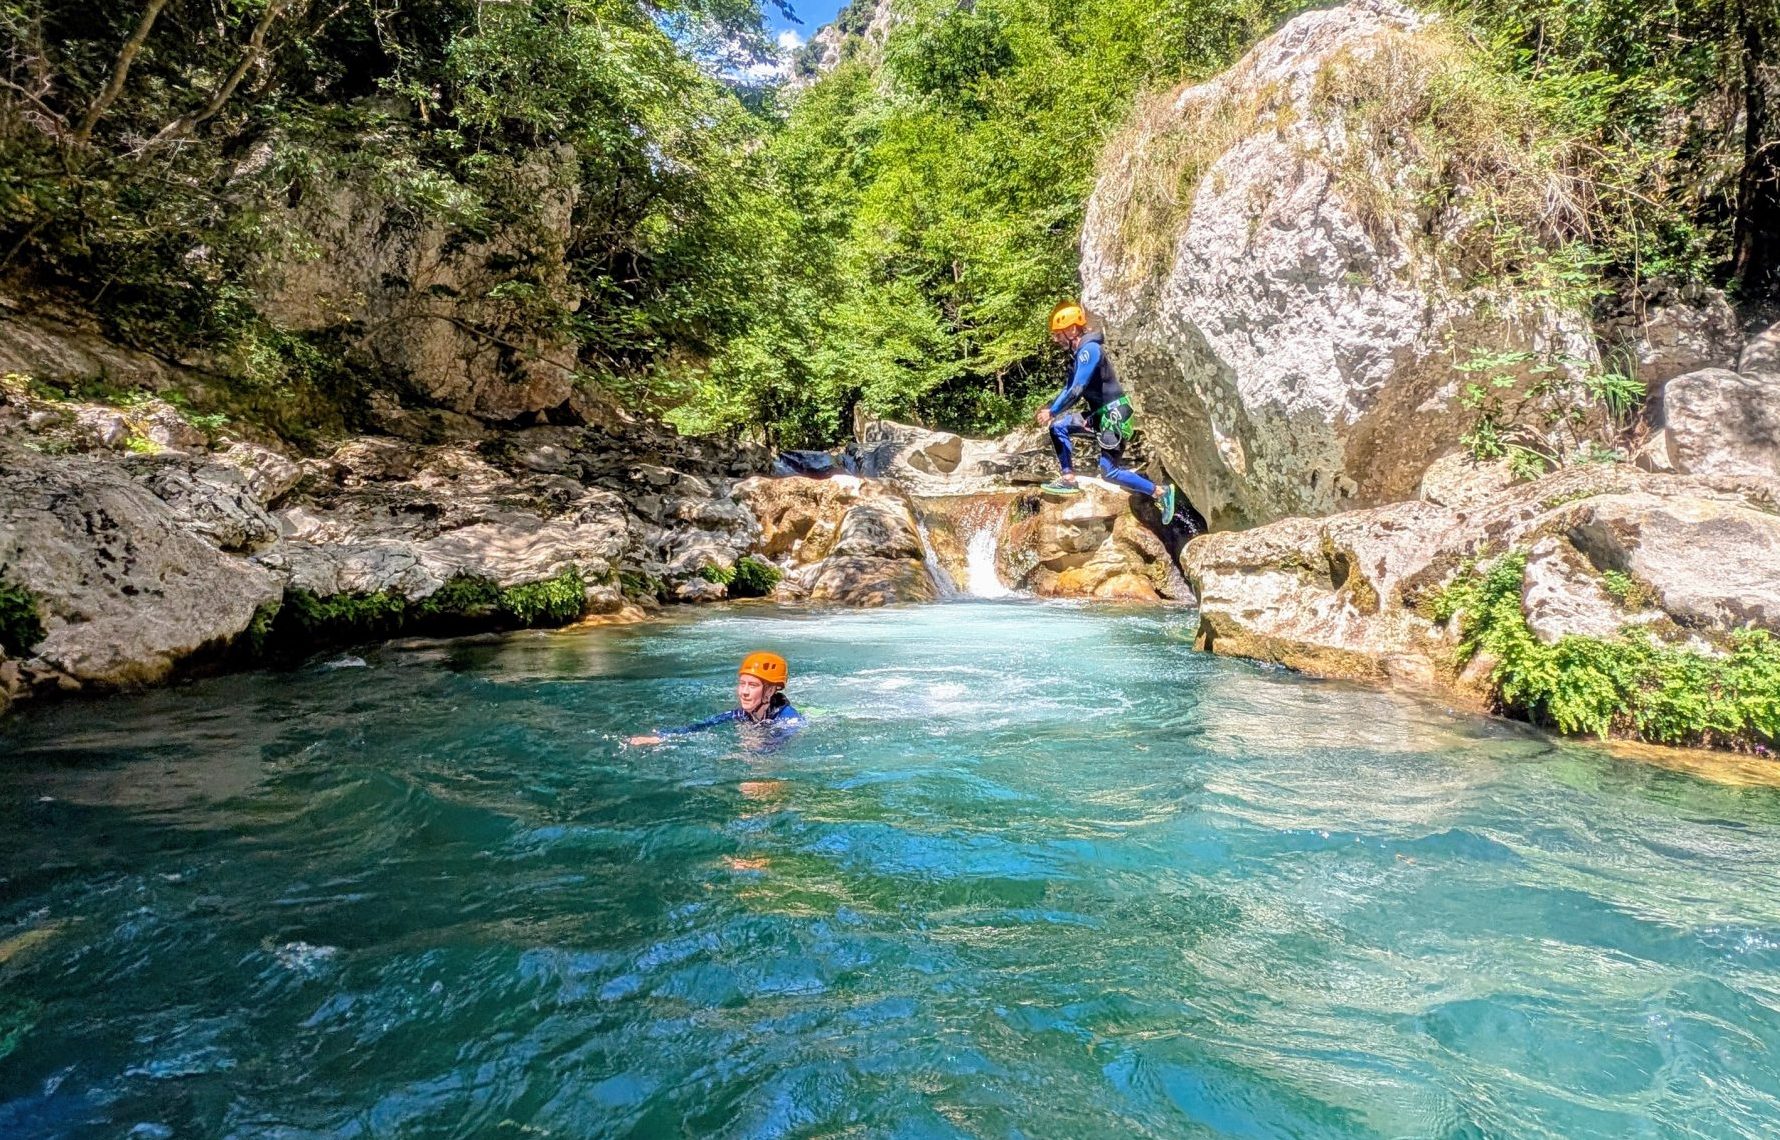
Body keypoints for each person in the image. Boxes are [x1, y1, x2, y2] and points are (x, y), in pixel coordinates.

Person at [1035, 300, 1177, 525]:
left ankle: (1160, 492)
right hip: (1100, 416)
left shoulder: (1089, 350)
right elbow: (1067, 389)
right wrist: (1052, 412)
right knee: (1058, 427)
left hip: (1115, 416)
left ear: (1072, 329)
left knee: (1109, 472)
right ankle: (1068, 479)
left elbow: (1077, 389)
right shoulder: (1078, 354)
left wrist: (1052, 411)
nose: (1056, 339)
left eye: (1059, 333)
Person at [626, 652, 805, 746]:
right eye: (742, 684)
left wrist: (759, 752)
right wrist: (663, 737)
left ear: (771, 690)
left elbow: (782, 740)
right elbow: (702, 726)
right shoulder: (741, 714)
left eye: (753, 685)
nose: (744, 692)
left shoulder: (789, 719)